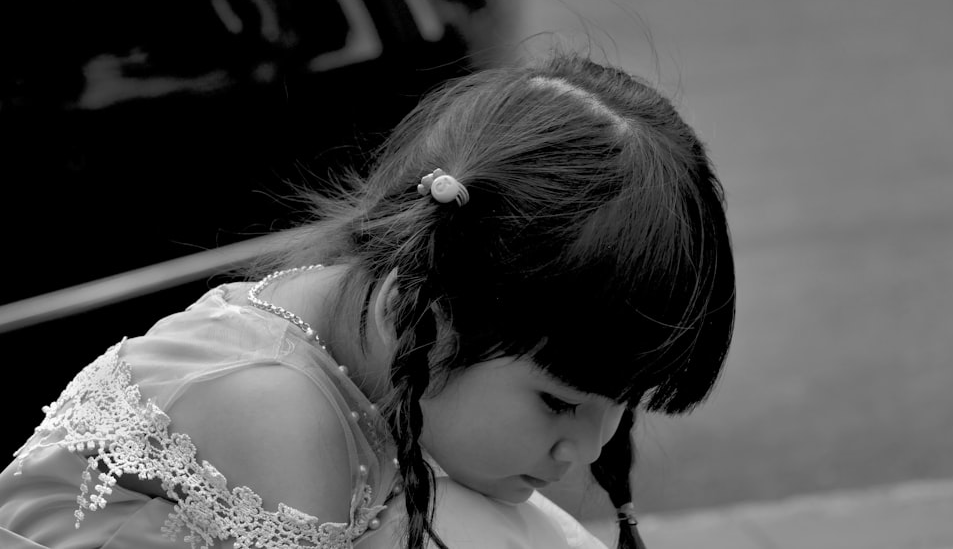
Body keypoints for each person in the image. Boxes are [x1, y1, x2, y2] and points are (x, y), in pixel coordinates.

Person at [0, 49, 736, 549]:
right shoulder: (277, 411)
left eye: (622, 401)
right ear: (432, 313)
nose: (591, 444)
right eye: (558, 400)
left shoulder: (345, 336)